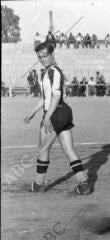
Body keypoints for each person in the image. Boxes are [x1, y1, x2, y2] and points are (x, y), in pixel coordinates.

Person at [23, 41, 90, 195]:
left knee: (42, 149)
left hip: (55, 114)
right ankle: (83, 184)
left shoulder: (54, 72)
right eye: (39, 57)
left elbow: (56, 96)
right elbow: (45, 98)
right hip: (60, 112)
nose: (42, 59)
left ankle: (39, 184)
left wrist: (47, 117)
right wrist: (32, 112)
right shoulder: (45, 72)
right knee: (68, 149)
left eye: (45, 55)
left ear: (52, 54)